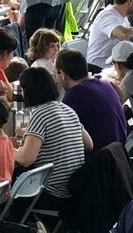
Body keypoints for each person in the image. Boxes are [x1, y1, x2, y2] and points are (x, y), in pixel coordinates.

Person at [14, 67, 90, 209]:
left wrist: (7, 148)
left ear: (27, 91)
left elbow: (26, 159)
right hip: (75, 188)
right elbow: (89, 144)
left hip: (52, 192)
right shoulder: (67, 109)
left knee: (14, 181)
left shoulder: (40, 114)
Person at [56, 49, 127, 152]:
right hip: (119, 153)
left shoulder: (75, 96)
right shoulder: (104, 83)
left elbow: (61, 137)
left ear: (62, 74)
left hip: (101, 157)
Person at [86, 0, 133, 72]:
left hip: (113, 66)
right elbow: (122, 34)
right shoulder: (107, 15)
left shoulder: (122, 17)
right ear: (130, 1)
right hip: (98, 68)